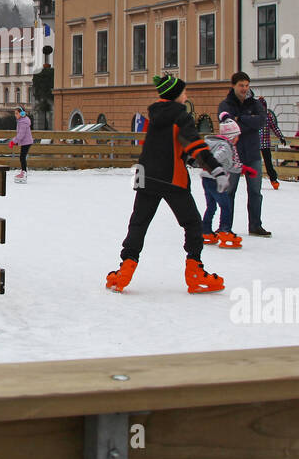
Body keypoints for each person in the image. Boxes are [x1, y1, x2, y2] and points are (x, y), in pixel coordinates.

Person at [106, 74, 228, 294]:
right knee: (192, 223)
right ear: (175, 95)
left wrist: (188, 158)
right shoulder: (180, 115)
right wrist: (216, 168)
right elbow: (194, 143)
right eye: (184, 92)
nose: (186, 95)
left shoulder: (155, 115)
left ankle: (125, 269)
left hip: (146, 176)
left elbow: (170, 145)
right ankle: (195, 271)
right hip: (172, 178)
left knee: (139, 223)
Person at [217, 72, 270, 237]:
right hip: (232, 154)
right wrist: (248, 121)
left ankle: (255, 225)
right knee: (229, 192)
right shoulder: (225, 105)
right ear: (233, 85)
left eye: (247, 85)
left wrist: (241, 119)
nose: (244, 89)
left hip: (253, 153)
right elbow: (228, 125)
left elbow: (261, 121)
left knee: (255, 192)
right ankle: (225, 226)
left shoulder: (255, 103)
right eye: (241, 85)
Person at [201, 115, 250, 248]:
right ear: (231, 136)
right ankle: (225, 230)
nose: (238, 139)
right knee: (226, 205)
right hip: (215, 179)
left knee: (211, 206)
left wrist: (243, 169)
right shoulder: (225, 146)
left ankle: (205, 231)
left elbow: (228, 164)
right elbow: (216, 160)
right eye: (236, 136)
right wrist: (215, 169)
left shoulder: (215, 143)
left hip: (206, 178)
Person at [258, 96, 287, 190]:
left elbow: (274, 127)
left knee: (268, 163)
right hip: (255, 144)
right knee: (255, 163)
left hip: (265, 143)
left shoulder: (268, 116)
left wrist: (281, 137)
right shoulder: (255, 116)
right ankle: (255, 180)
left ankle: (273, 180)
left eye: (263, 106)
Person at [9, 106, 33, 182]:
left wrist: (13, 141)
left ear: (22, 113)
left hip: (26, 142)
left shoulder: (23, 122)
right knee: (22, 157)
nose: (15, 115)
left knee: (22, 157)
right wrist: (15, 141)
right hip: (26, 141)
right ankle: (24, 171)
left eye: (16, 113)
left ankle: (24, 173)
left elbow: (21, 135)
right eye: (15, 113)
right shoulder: (22, 120)